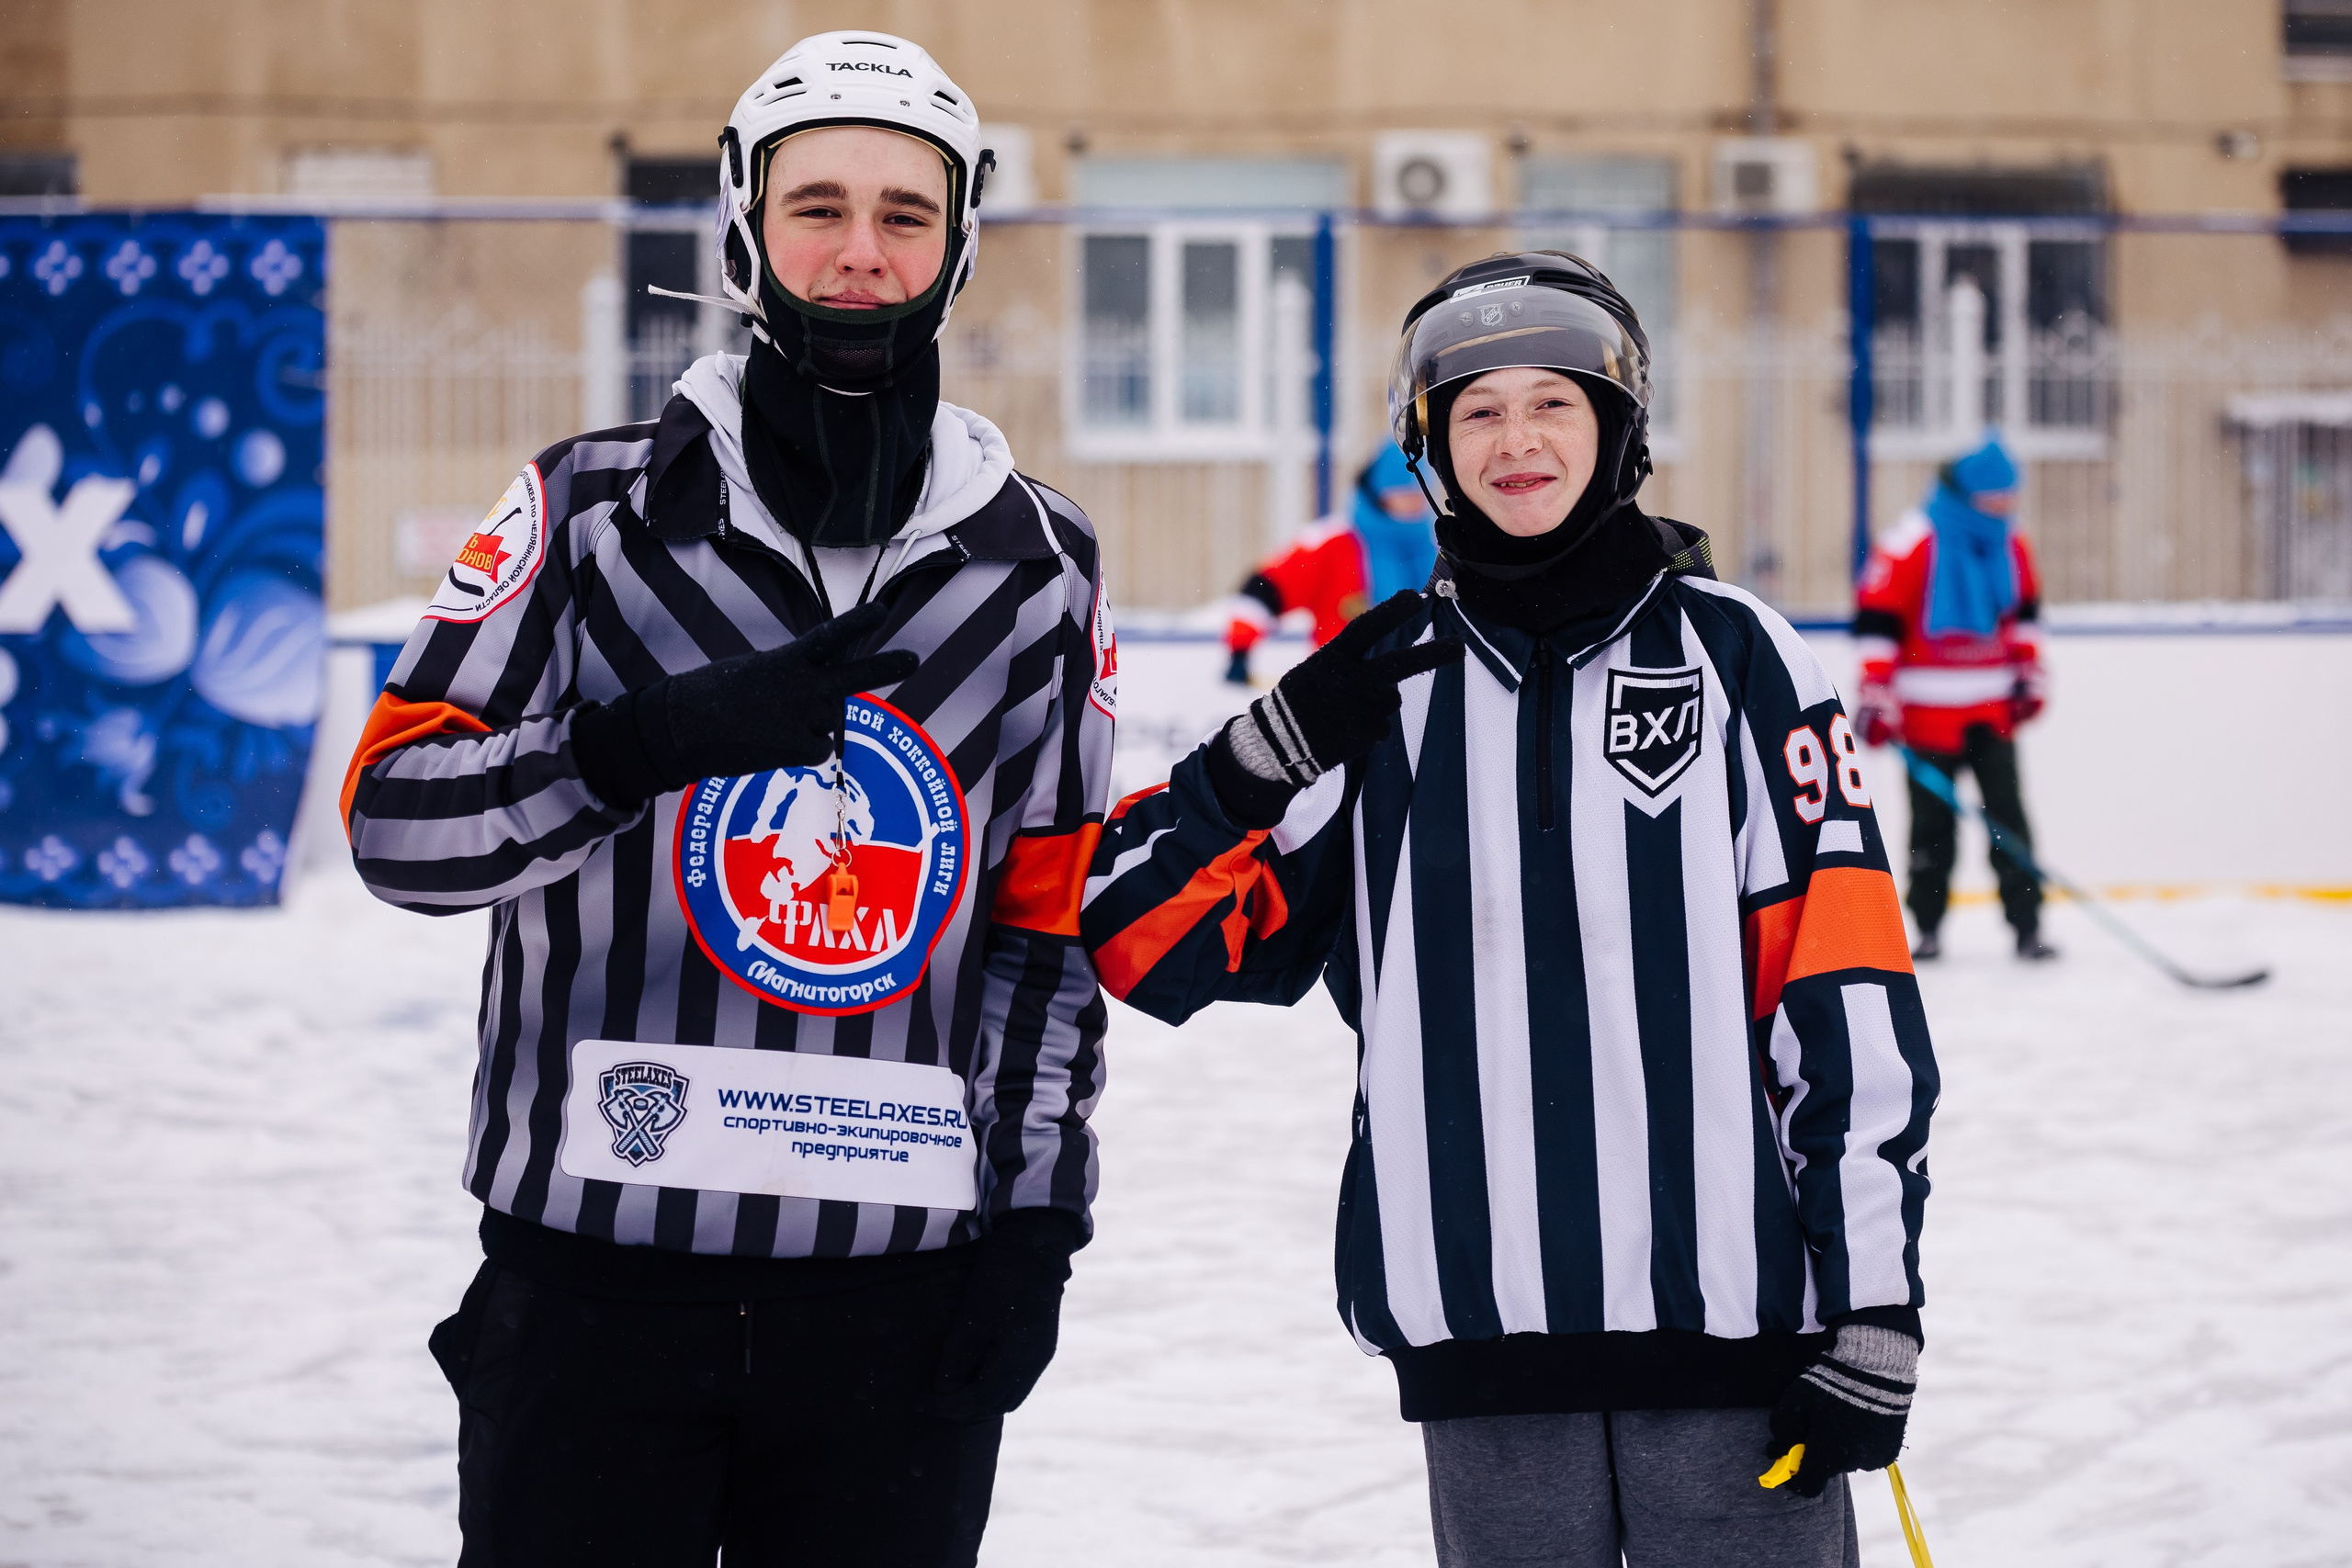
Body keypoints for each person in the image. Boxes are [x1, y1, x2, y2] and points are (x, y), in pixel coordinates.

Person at [340, 31, 1116, 1567]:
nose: (858, 251)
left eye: (907, 213)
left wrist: (1037, 1226)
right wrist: (629, 748)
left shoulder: (1038, 565)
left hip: (892, 1312)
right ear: (743, 230)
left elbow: (1048, 921)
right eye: (816, 205)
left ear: (960, 250)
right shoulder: (588, 512)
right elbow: (395, 828)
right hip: (592, 1294)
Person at [1082, 253, 1938, 1566]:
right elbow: (1146, 936)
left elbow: (1846, 995)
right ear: (1429, 447)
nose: (1517, 437)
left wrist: (1871, 1297)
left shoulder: (1742, 657)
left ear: (1619, 429)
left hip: (1737, 1342)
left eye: (1555, 400)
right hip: (1481, 1344)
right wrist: (1267, 749)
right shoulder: (1380, 686)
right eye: (1476, 409)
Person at [1851, 435, 2054, 961]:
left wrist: (2029, 672)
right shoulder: (1912, 541)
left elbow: (2024, 614)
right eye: (1993, 498)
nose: (2003, 508)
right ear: (1966, 494)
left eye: (2009, 498)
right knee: (1932, 829)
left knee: (2009, 818)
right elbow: (1878, 621)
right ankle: (1928, 927)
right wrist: (1877, 691)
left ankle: (2027, 925)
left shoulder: (2010, 543)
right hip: (1924, 717)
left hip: (1992, 711)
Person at [1222, 441, 1438, 683]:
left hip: (1421, 692)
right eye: (1401, 494)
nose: (1412, 503)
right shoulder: (1334, 545)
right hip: (1339, 694)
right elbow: (1266, 588)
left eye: (1417, 494)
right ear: (1376, 494)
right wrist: (1240, 648)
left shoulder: (1437, 548)